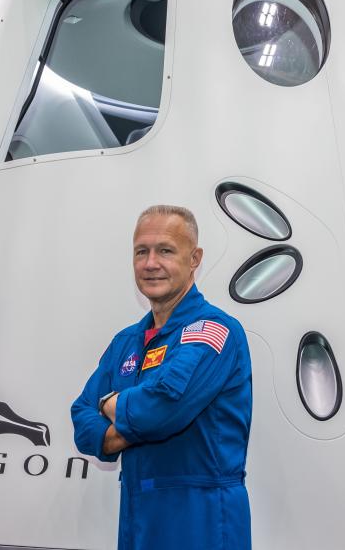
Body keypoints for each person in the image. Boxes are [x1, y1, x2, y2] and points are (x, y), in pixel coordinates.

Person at [71, 205, 253, 550]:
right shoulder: (126, 341)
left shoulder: (213, 331)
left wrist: (110, 403)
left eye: (165, 251)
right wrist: (121, 429)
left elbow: (161, 410)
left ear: (194, 258)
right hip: (138, 514)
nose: (151, 263)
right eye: (142, 251)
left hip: (201, 517)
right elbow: (81, 417)